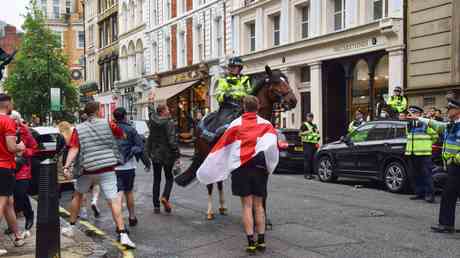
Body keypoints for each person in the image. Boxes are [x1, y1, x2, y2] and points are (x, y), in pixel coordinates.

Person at [61, 102, 136, 249]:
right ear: (98, 111)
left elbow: (74, 148)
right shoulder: (109, 124)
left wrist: (67, 166)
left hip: (87, 169)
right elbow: (123, 135)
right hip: (107, 167)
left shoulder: (79, 129)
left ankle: (70, 227)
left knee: (78, 195)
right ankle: (123, 234)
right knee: (114, 200)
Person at [410, 92, 460, 233]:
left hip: (456, 166)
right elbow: (436, 124)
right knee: (449, 194)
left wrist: (454, 159)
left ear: (457, 111)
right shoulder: (451, 125)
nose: (447, 111)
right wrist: (419, 118)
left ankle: (446, 224)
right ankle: (447, 224)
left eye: (450, 109)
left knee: (448, 195)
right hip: (453, 166)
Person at [230, 96, 274, 254]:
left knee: (247, 206)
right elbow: (272, 149)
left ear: (243, 106)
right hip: (259, 168)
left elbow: (227, 147)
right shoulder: (266, 124)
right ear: (259, 106)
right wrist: (270, 167)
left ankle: (250, 243)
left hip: (242, 168)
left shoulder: (235, 124)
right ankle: (262, 241)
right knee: (259, 206)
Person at [0, 94, 28, 251]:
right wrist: (21, 146)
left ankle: (17, 236)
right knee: (2, 202)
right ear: (8, 104)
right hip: (4, 167)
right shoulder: (7, 121)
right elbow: (12, 147)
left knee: (9, 202)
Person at [57, 121, 101, 219]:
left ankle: (81, 211)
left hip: (72, 164)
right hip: (87, 162)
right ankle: (91, 204)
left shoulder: (64, 136)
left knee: (78, 190)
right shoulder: (82, 133)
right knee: (93, 185)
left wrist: (66, 167)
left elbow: (61, 151)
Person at [113, 107, 148, 226]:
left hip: (113, 167)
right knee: (128, 192)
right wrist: (146, 163)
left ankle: (119, 222)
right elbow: (140, 147)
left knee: (117, 194)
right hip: (128, 167)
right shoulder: (131, 130)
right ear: (125, 116)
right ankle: (132, 217)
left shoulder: (110, 130)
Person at [146, 104, 180, 214]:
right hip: (167, 155)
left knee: (157, 179)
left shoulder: (152, 121)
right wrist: (177, 154)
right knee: (169, 178)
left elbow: (151, 113)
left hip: (155, 154)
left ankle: (156, 206)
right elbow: (172, 141)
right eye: (167, 109)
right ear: (162, 111)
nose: (169, 110)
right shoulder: (168, 122)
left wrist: (151, 103)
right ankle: (165, 197)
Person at [10, 111, 37, 230]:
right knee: (10, 197)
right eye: (11, 119)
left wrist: (24, 152)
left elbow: (34, 147)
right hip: (7, 167)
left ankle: (29, 215)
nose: (13, 122)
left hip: (22, 168)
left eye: (16, 119)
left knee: (20, 193)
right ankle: (13, 224)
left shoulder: (25, 131)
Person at [405, 106, 437, 203]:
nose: (411, 115)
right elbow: (408, 137)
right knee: (415, 174)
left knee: (426, 174)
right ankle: (419, 193)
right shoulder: (409, 124)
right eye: (410, 113)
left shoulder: (426, 123)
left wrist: (427, 145)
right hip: (412, 153)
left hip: (424, 153)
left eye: (414, 113)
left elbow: (435, 136)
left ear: (419, 114)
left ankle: (430, 195)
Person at [299, 113, 320, 180]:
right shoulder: (304, 125)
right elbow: (300, 134)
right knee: (307, 160)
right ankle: (307, 174)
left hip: (314, 144)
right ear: (306, 117)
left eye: (311, 117)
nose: (310, 118)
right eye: (309, 117)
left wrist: (317, 139)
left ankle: (311, 174)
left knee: (312, 159)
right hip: (307, 144)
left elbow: (316, 133)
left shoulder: (314, 125)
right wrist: (308, 132)